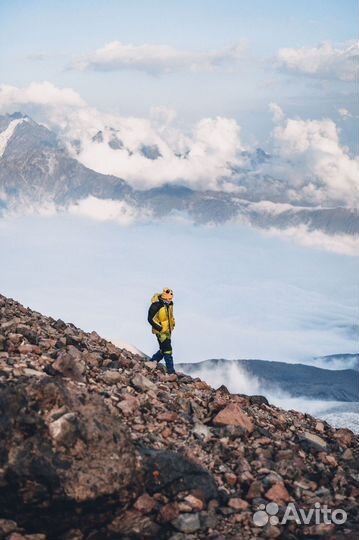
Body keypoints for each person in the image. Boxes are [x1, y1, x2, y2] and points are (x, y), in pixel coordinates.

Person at [148, 288, 176, 374]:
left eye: (170, 298)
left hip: (168, 330)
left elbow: (170, 316)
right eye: (167, 298)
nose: (169, 300)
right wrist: (160, 328)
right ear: (164, 297)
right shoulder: (156, 305)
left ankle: (152, 361)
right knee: (168, 350)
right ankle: (171, 372)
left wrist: (173, 323)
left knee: (163, 349)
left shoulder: (170, 304)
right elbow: (150, 319)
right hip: (160, 331)